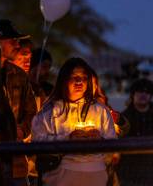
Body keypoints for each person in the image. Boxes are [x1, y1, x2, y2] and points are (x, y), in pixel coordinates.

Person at [32, 57, 116, 186]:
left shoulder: (100, 111)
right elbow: (37, 141)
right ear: (64, 80)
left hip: (96, 173)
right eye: (74, 77)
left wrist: (99, 140)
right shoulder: (51, 111)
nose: (79, 81)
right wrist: (67, 139)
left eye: (83, 77)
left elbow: (113, 143)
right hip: (61, 174)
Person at [0, 19, 37, 186]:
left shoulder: (19, 75)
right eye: (12, 40)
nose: (17, 45)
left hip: (14, 156)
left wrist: (21, 131)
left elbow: (32, 111)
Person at [117, 78, 153, 185]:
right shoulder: (123, 118)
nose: (143, 94)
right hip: (129, 172)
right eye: (140, 91)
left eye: (147, 92)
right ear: (133, 94)